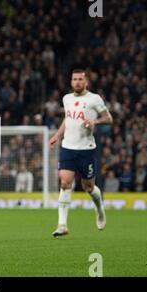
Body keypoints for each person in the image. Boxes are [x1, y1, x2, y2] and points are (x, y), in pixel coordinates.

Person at [49, 69, 113, 237]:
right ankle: (62, 225)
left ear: (86, 82)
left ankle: (99, 210)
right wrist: (57, 135)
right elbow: (68, 119)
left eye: (80, 79)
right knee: (65, 183)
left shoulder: (94, 99)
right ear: (71, 82)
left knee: (88, 187)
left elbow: (109, 118)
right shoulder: (67, 99)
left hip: (86, 150)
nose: (77, 82)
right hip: (68, 148)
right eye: (74, 79)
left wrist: (95, 121)